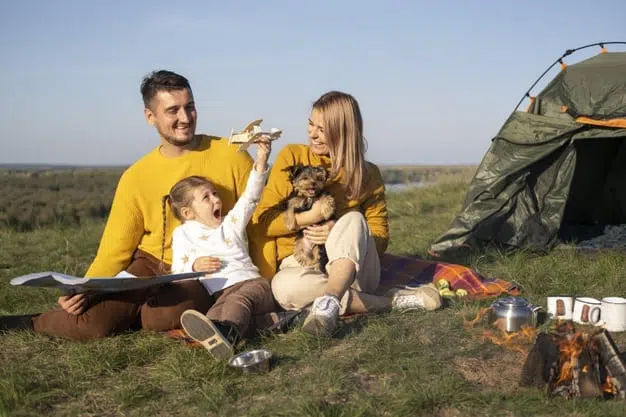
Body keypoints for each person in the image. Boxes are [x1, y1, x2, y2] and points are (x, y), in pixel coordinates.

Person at [0, 70, 257, 340]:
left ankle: (145, 313)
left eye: (189, 107)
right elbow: (115, 247)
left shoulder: (230, 155)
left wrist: (265, 281)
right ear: (150, 116)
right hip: (150, 265)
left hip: (201, 267)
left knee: (164, 315)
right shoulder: (136, 176)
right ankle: (27, 322)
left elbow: (256, 221)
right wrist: (83, 289)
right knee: (91, 325)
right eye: (173, 110)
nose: (185, 118)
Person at [251, 91, 441, 336]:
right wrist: (310, 217)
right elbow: (260, 223)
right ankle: (393, 301)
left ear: (344, 132)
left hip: (356, 270)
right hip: (302, 264)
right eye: (311, 124)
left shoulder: (367, 174)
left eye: (322, 128)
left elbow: (380, 238)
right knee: (284, 287)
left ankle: (330, 300)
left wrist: (336, 232)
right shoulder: (293, 156)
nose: (312, 133)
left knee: (352, 220)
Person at [165, 137, 276, 360]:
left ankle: (229, 335)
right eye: (207, 197)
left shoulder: (230, 224)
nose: (216, 199)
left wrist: (262, 160)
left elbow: (250, 199)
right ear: (188, 213)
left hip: (252, 285)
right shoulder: (182, 235)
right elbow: (177, 270)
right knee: (213, 316)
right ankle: (279, 320)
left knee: (237, 304)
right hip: (219, 295)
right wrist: (194, 265)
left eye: (215, 193)